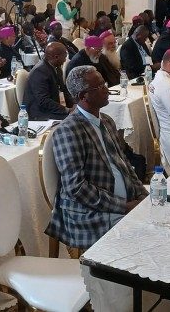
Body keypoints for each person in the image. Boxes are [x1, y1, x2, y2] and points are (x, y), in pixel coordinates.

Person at [45, 65, 148, 249]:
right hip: (90, 215)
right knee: (147, 238)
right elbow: (76, 189)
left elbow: (124, 164)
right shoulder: (68, 131)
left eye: (104, 84)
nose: (107, 90)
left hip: (122, 203)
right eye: (100, 87)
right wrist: (124, 206)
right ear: (83, 96)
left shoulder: (106, 120)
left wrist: (143, 195)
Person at [23, 42, 73, 120]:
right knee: (74, 120)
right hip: (39, 113)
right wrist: (66, 110)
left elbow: (64, 90)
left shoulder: (56, 67)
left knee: (78, 116)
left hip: (50, 108)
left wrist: (73, 105)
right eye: (64, 57)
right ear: (56, 57)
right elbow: (43, 101)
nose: (65, 60)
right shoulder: (40, 72)